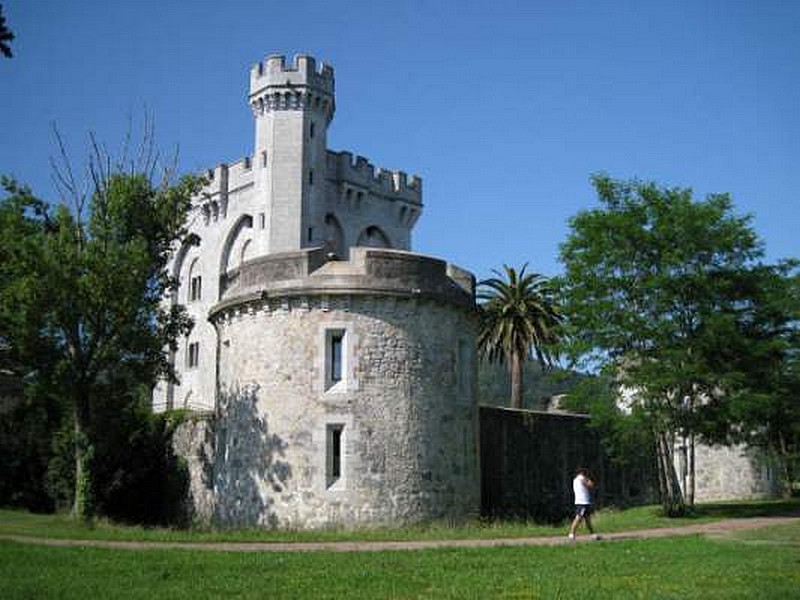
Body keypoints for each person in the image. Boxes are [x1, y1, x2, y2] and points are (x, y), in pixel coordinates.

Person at [568, 467, 600, 540]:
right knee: (578, 518)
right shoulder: (582, 478)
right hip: (582, 502)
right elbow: (591, 485)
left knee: (587, 519)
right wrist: (589, 479)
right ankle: (571, 533)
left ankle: (593, 534)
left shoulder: (575, 479)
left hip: (582, 501)